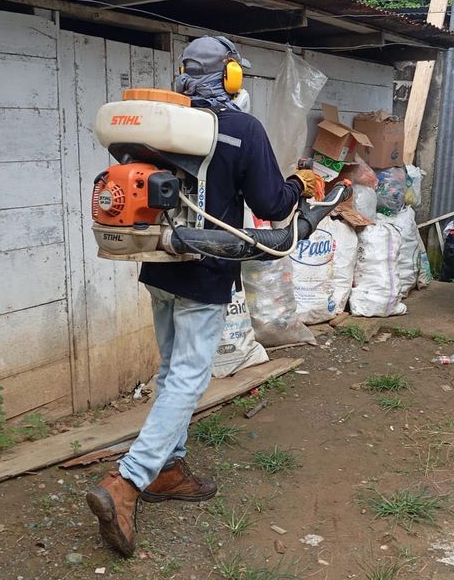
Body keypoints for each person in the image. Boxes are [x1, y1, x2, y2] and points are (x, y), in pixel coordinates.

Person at [85, 36, 323, 557]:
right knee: (189, 378)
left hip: (158, 263)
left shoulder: (158, 125)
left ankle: (168, 468)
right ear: (231, 77)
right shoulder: (241, 128)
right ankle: (128, 482)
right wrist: (299, 185)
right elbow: (271, 203)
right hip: (205, 269)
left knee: (173, 370)